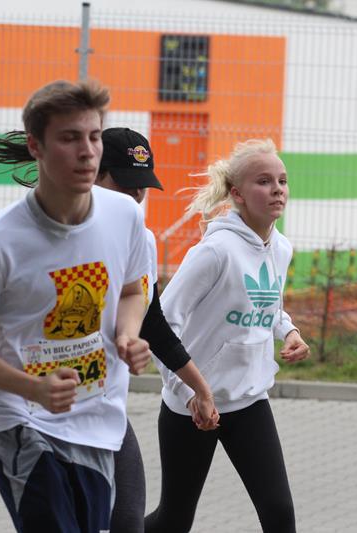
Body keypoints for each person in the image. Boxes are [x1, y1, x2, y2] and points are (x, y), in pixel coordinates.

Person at [0, 79, 153, 533]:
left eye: (94, 137)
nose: (87, 152)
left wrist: (128, 335)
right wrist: (33, 388)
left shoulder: (124, 217)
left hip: (96, 418)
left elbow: (133, 291)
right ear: (36, 146)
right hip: (22, 420)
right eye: (70, 138)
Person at [144, 138, 310, 533]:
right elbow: (160, 325)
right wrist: (188, 391)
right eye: (264, 182)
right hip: (193, 406)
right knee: (173, 521)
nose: (277, 190)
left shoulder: (280, 248)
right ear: (237, 193)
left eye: (282, 181)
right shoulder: (215, 251)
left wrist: (288, 330)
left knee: (279, 514)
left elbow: (268, 305)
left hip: (249, 401)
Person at [95, 127, 219, 532]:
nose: (135, 196)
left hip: (107, 407)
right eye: (125, 183)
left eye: (142, 186)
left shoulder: (143, 241)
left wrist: (199, 388)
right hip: (49, 413)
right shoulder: (59, 237)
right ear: (94, 174)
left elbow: (153, 323)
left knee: (128, 521)